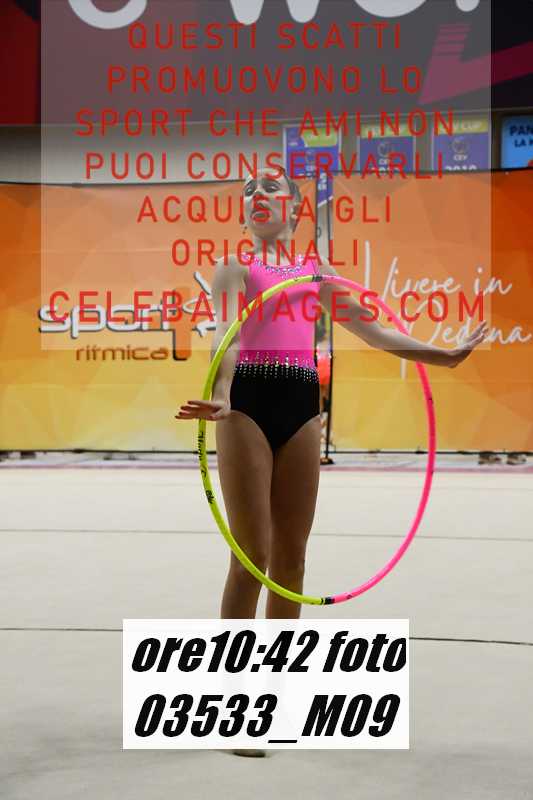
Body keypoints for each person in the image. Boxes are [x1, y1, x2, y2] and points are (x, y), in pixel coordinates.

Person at [176, 166, 488, 757]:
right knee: (252, 557)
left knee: (291, 560)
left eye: (271, 188)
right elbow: (229, 337)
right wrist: (219, 392)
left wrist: (443, 357)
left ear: (295, 209)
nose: (259, 195)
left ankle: (274, 696)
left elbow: (373, 330)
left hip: (301, 402)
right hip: (245, 403)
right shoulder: (234, 268)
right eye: (249, 191)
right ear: (244, 214)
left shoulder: (315, 274)